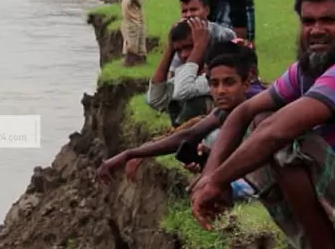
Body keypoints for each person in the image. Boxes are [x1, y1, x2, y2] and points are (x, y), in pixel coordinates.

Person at [191, 0, 335, 249]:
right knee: (260, 120)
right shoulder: (309, 67)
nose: (316, 30)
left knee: (279, 136)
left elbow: (276, 133)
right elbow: (243, 112)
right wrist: (209, 177)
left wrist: (219, 179)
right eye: (308, 21)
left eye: (328, 20)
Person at [96, 47, 259, 194]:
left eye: (228, 83)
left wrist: (214, 163)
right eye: (214, 84)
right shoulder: (223, 111)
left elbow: (256, 158)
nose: (221, 91)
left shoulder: (257, 113)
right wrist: (130, 153)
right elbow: (188, 135)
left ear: (246, 83)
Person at [148, 18, 217, 127]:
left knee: (195, 101)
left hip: (212, 137)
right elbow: (155, 99)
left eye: (189, 47)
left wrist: (199, 47)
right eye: (178, 50)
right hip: (188, 138)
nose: (184, 55)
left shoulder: (214, 75)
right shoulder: (183, 75)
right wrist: (170, 49)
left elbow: (182, 91)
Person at [169, 0, 236, 72]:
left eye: (193, 10)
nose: (189, 15)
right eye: (184, 11)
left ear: (207, 10)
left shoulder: (223, 34)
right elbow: (173, 70)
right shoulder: (181, 36)